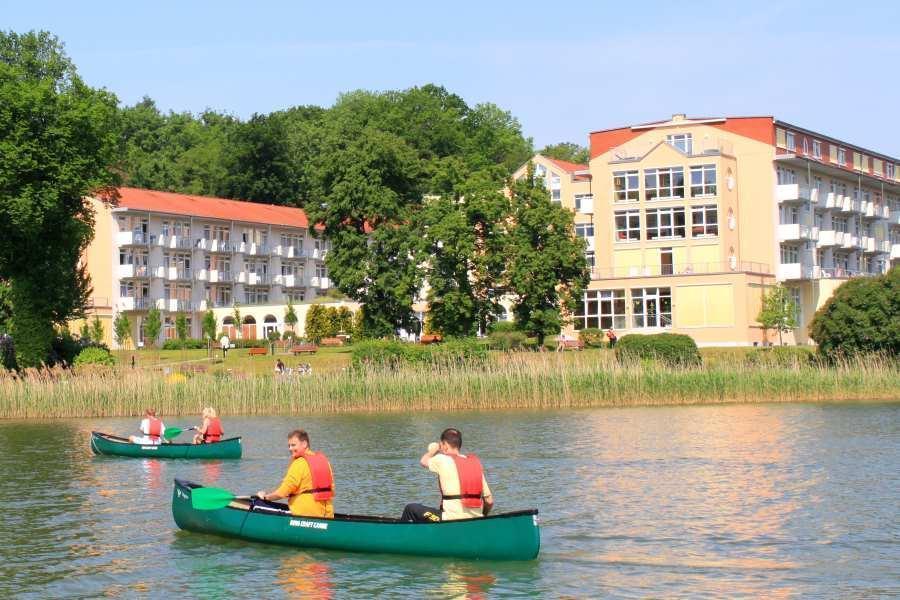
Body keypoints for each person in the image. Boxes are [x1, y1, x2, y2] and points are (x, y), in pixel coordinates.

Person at [401, 427, 493, 523]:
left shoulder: (442, 459)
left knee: (410, 509)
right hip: (476, 518)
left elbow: (423, 461)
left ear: (444, 446)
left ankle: (403, 537)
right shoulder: (474, 464)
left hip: (450, 519)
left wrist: (434, 450)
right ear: (459, 445)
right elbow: (489, 501)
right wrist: (482, 517)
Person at [257, 429, 335, 518]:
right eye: (289, 446)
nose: (290, 448)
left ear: (305, 444)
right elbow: (332, 488)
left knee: (257, 504)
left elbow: (282, 492)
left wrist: (265, 497)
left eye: (293, 445)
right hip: (327, 515)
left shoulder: (299, 463)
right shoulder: (324, 461)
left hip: (304, 514)